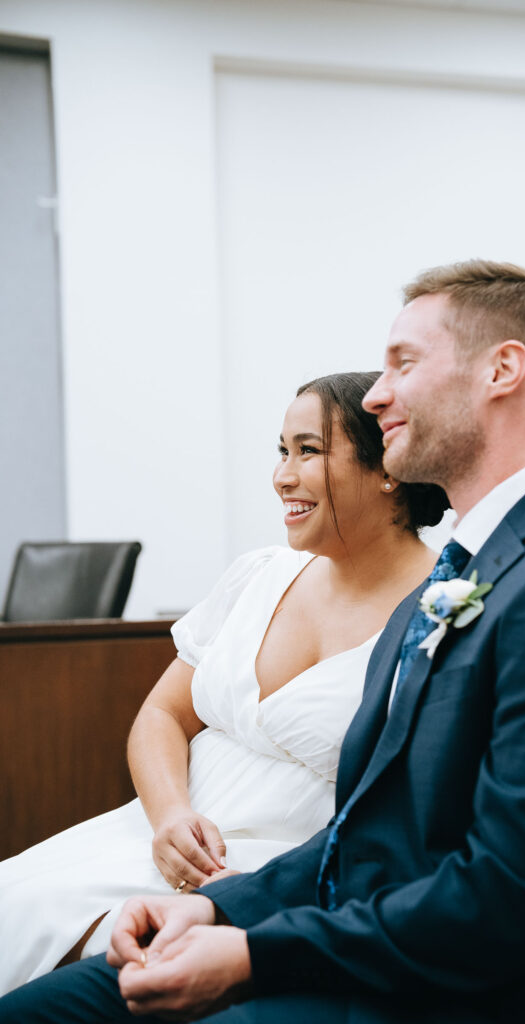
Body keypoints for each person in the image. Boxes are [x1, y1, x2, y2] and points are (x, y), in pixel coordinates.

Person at [2, 260, 525, 1024]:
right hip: (355, 927)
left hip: (459, 990)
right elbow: (370, 835)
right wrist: (222, 912)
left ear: (502, 370)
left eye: (403, 362)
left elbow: (516, 895)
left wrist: (257, 954)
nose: (376, 393)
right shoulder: (462, 575)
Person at [0, 370, 448, 997]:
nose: (282, 476)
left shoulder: (446, 614)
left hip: (270, 874)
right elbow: (161, 714)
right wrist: (169, 816)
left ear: (388, 468)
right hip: (152, 835)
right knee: (15, 902)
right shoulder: (259, 575)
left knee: (88, 969)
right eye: (282, 451)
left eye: (309, 450)